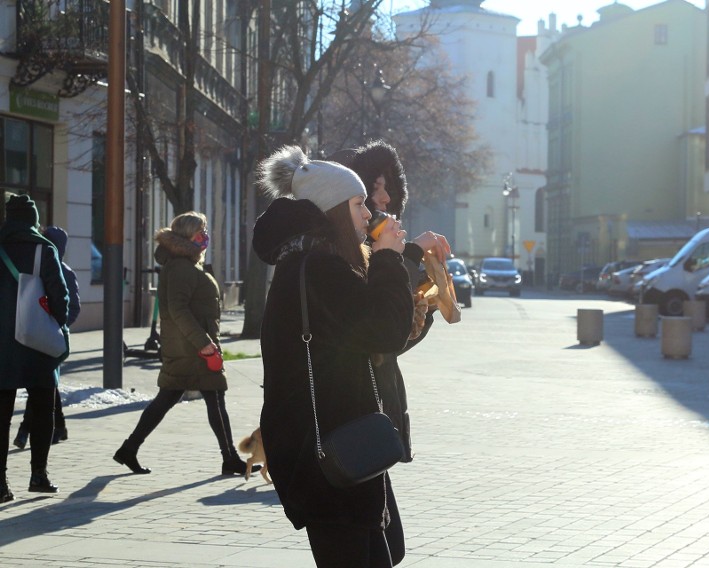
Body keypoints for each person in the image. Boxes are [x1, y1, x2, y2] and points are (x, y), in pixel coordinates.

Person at [253, 145, 413, 567]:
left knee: (389, 549)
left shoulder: (312, 265)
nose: (368, 215)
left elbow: (376, 332)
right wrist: (389, 259)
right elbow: (385, 329)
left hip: (336, 450)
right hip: (329, 460)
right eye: (359, 204)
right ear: (334, 210)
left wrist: (397, 260)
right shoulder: (319, 270)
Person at [330, 140, 451, 462]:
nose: (385, 198)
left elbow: (392, 343)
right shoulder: (339, 258)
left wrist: (425, 306)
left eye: (389, 188)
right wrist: (407, 255)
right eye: (375, 188)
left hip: (374, 411)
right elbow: (373, 331)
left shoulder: (370, 252)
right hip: (353, 415)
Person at [112, 212, 258, 477]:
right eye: (201, 231)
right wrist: (204, 344)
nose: (205, 237)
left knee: (167, 399)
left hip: (187, 347)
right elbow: (178, 310)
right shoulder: (181, 267)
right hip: (192, 349)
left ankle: (129, 449)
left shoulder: (185, 264)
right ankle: (230, 459)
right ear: (189, 235)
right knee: (213, 399)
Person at [0, 195, 70, 502]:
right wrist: (58, 323)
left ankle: (0, 484)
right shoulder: (44, 248)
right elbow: (60, 295)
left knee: (1, 415)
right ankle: (38, 476)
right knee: (43, 408)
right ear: (32, 219)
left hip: (1, 344)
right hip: (37, 341)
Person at [14, 226, 79, 449]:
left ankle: (25, 429)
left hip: (51, 336)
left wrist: (57, 326)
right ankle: (59, 427)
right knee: (46, 384)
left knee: (42, 383)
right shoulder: (37, 265)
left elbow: (73, 307)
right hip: (34, 334)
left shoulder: (63, 271)